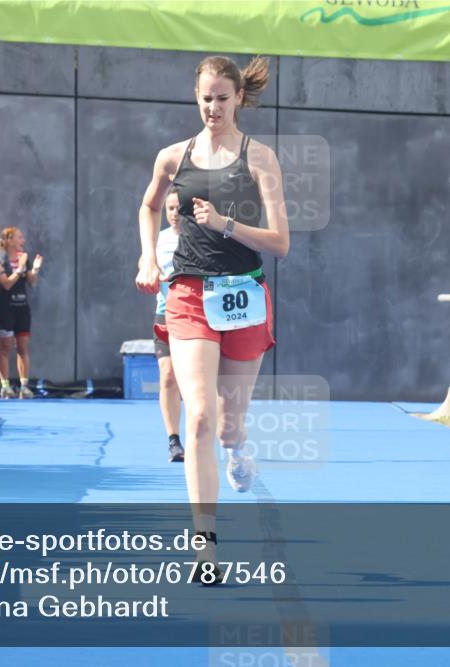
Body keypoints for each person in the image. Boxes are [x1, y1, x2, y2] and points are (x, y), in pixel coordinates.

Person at [135, 55, 289, 581]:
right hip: (188, 296)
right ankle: (205, 546)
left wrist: (226, 224)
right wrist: (147, 256)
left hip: (243, 293)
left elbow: (281, 243)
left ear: (239, 98)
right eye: (205, 97)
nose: (213, 107)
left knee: (226, 423)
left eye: (223, 97)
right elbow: (148, 206)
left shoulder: (260, 158)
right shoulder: (173, 157)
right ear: (195, 97)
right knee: (197, 415)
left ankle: (238, 444)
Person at [0, 226, 42, 399]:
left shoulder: (23, 258)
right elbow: (5, 284)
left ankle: (24, 386)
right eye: (19, 237)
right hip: (5, 308)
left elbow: (32, 282)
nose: (23, 241)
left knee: (23, 347)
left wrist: (34, 269)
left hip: (22, 307)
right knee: (6, 346)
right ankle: (5, 386)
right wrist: (19, 269)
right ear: (9, 240)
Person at [153, 187, 185, 463]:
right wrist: (148, 271)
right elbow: (145, 264)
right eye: (170, 209)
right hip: (165, 316)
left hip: (198, 317)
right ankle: (174, 441)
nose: (175, 214)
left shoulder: (203, 239)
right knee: (168, 376)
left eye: (179, 208)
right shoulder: (158, 239)